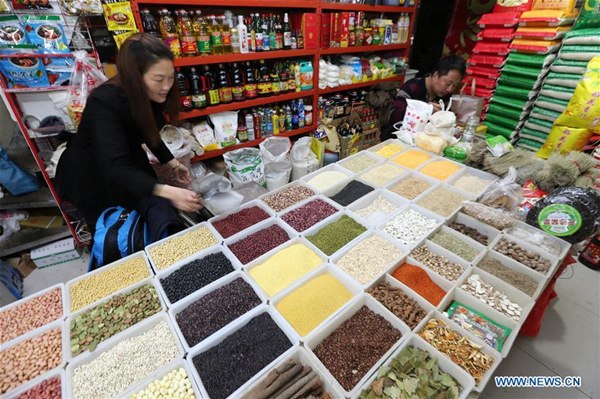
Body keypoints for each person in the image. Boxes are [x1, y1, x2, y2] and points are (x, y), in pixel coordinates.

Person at [56, 33, 201, 238]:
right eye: (159, 79)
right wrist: (170, 192)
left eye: (170, 78)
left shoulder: (148, 94)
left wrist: (173, 163)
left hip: (127, 164)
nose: (167, 86)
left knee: (142, 222)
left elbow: (148, 131)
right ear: (135, 76)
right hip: (93, 175)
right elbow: (115, 166)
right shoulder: (104, 102)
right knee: (112, 233)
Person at [381, 54, 467, 140]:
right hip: (396, 139)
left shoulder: (445, 95)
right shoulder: (411, 87)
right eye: (448, 83)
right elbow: (394, 117)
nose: (450, 89)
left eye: (454, 86)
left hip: (423, 141)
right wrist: (424, 109)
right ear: (436, 75)